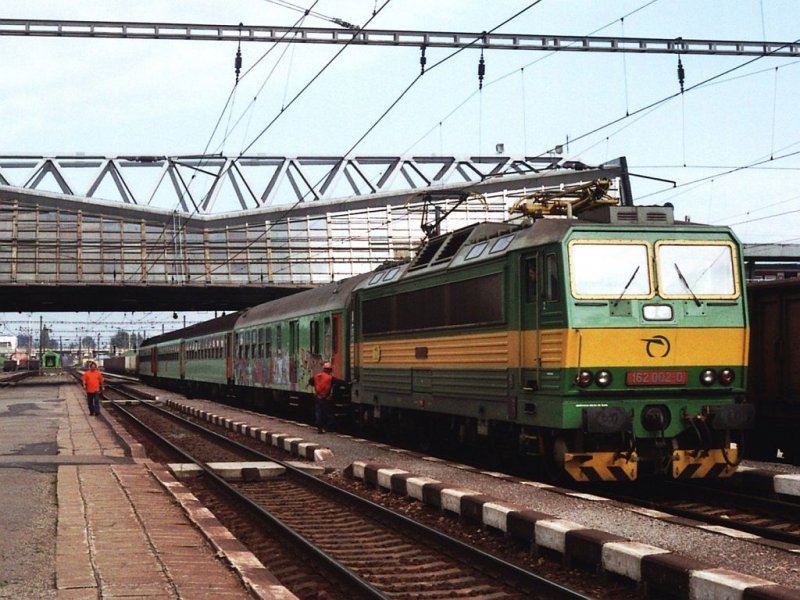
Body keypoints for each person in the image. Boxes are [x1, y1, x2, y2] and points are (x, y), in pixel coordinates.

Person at [308, 361, 344, 433]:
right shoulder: (330, 378)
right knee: (328, 413)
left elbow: (310, 381)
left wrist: (316, 386)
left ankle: (319, 427)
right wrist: (348, 383)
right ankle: (327, 427)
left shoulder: (316, 376)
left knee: (318, 412)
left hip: (318, 397)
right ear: (330, 370)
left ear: (323, 369)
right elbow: (339, 382)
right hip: (326, 398)